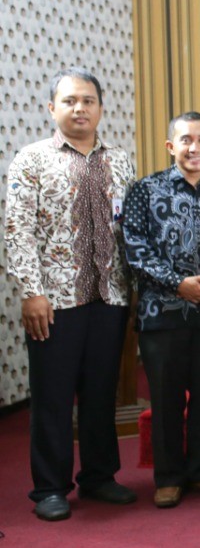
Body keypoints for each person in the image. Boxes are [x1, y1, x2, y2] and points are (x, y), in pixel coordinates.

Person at [5, 68, 138, 520]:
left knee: (101, 394)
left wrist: (134, 290)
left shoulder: (120, 160)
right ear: (52, 108)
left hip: (109, 296)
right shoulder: (32, 160)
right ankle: (49, 487)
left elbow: (129, 229)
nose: (79, 108)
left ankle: (99, 476)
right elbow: (18, 230)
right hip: (54, 302)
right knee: (53, 397)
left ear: (100, 108)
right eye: (69, 101)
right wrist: (32, 292)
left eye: (87, 101)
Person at [122, 112, 200, 508]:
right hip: (162, 312)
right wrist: (177, 283)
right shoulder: (145, 189)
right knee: (166, 399)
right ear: (171, 146)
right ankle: (168, 477)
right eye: (186, 139)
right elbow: (135, 248)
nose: (194, 147)